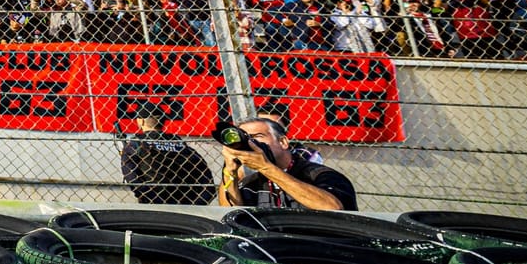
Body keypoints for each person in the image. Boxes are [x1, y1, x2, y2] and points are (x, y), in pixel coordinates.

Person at [216, 109, 357, 211]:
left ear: (283, 142)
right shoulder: (251, 183)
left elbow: (333, 207)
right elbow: (230, 212)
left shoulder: (319, 174)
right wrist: (230, 172)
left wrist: (267, 167)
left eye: (257, 136)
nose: (251, 143)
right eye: (246, 139)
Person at [118, 104, 214, 205]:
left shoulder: (136, 144)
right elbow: (207, 182)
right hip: (186, 206)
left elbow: (131, 177)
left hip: (153, 204)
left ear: (141, 121)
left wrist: (149, 198)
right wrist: (195, 205)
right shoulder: (182, 146)